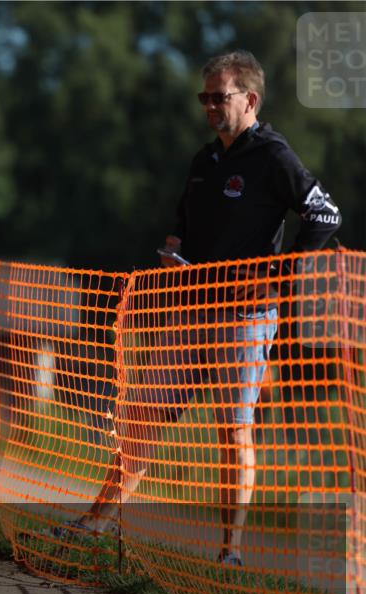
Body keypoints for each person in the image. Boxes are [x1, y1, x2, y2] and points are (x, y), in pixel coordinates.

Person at [63, 51, 342, 566]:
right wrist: (173, 244)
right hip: (188, 312)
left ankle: (230, 553)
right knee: (143, 417)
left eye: (221, 97)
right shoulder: (205, 159)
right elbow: (183, 218)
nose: (210, 106)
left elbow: (324, 214)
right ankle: (95, 522)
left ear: (250, 100)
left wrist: (277, 276)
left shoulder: (274, 155)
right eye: (205, 97)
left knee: (232, 431)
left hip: (244, 318)